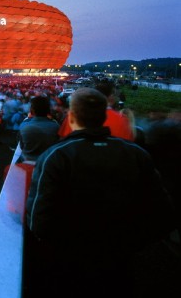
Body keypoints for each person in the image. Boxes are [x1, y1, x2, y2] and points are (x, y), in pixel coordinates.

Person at [25, 88, 175, 297]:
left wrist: (59, 245)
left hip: (70, 258)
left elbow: (38, 219)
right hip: (121, 258)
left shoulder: (56, 156)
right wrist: (134, 243)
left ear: (72, 117)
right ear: (105, 116)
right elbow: (164, 212)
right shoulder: (136, 154)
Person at [58, 80, 134, 141]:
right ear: (111, 96)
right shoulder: (122, 120)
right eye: (115, 95)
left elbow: (63, 140)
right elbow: (129, 144)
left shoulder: (74, 116)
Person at [18, 96, 59, 162]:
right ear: (48, 110)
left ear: (32, 110)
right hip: (48, 161)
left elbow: (21, 146)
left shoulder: (24, 125)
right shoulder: (56, 126)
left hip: (28, 161)